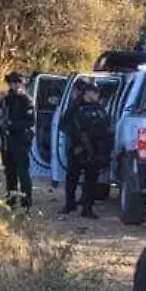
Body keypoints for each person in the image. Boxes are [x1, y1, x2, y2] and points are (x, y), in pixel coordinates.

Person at [60, 82, 115, 218]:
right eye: (94, 93)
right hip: (78, 149)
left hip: (95, 150)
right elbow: (63, 125)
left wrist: (104, 151)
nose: (97, 96)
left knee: (91, 181)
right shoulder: (75, 107)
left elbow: (107, 129)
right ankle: (69, 204)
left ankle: (87, 208)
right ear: (87, 93)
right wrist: (77, 136)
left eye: (97, 93)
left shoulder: (100, 109)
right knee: (72, 178)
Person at [0, 72, 36, 209]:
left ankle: (26, 204)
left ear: (22, 83)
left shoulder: (27, 100)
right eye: (12, 83)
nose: (15, 85)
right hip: (7, 141)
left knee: (23, 174)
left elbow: (30, 121)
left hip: (21, 140)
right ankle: (10, 203)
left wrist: (12, 124)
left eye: (17, 82)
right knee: (10, 173)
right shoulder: (5, 100)